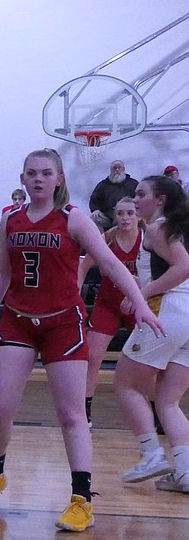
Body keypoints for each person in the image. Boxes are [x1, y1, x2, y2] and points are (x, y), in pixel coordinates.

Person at [0, 149, 162, 533]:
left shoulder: (74, 219)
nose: (38, 179)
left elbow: (108, 263)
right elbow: (4, 272)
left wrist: (140, 303)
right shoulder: (11, 220)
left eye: (46, 173)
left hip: (63, 324)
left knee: (72, 415)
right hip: (19, 321)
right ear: (22, 179)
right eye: (31, 173)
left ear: (58, 179)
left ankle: (81, 500)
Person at [112, 175, 189, 491]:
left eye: (141, 194)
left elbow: (183, 267)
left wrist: (141, 294)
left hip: (172, 310)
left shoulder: (158, 228)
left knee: (125, 385)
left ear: (160, 200)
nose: (135, 199)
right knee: (168, 400)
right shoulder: (177, 227)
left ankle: (151, 453)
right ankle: (185, 473)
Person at [76, 198, 142, 430]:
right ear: (115, 216)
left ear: (139, 216)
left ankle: (156, 411)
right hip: (108, 302)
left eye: (130, 213)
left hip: (139, 304)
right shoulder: (106, 239)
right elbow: (82, 267)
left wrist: (138, 291)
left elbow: (159, 276)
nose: (125, 218)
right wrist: (75, 294)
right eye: (121, 213)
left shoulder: (148, 240)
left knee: (147, 360)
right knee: (92, 356)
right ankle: (84, 410)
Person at [89, 159, 139, 232]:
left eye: (119, 167)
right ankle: (101, 241)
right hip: (108, 217)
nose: (117, 170)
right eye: (114, 168)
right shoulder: (103, 185)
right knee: (94, 219)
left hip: (128, 215)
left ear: (124, 169)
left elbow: (139, 197)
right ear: (111, 170)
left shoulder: (133, 183)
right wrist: (95, 210)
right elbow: (94, 199)